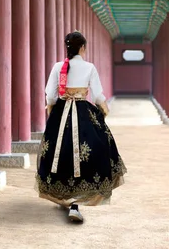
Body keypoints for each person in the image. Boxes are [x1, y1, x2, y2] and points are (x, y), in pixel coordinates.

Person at [36, 31, 126, 223]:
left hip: (61, 113)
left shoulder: (58, 67)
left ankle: (65, 197)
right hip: (83, 113)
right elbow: (98, 95)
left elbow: (50, 96)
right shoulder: (89, 67)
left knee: (60, 152)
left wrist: (52, 111)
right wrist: (104, 111)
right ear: (82, 48)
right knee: (89, 151)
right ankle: (76, 201)